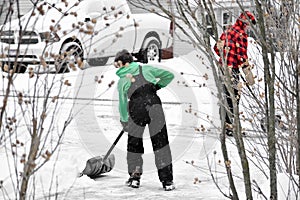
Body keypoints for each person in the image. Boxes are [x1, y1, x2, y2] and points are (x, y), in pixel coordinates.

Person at [114, 49, 175, 191]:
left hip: (137, 110)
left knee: (134, 143)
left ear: (126, 63)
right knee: (161, 143)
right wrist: (156, 86)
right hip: (155, 107)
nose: (117, 67)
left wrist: (124, 120)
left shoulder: (122, 81)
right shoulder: (146, 68)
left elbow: (122, 103)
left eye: (119, 64)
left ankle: (135, 177)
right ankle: (167, 181)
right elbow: (169, 75)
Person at [214, 11, 256, 136]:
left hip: (222, 69)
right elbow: (242, 56)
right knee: (234, 98)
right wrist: (249, 75)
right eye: (249, 24)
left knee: (225, 96)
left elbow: (216, 47)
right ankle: (231, 127)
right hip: (232, 71)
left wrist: (226, 57)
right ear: (245, 22)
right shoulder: (241, 35)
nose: (249, 28)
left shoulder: (228, 31)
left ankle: (225, 124)